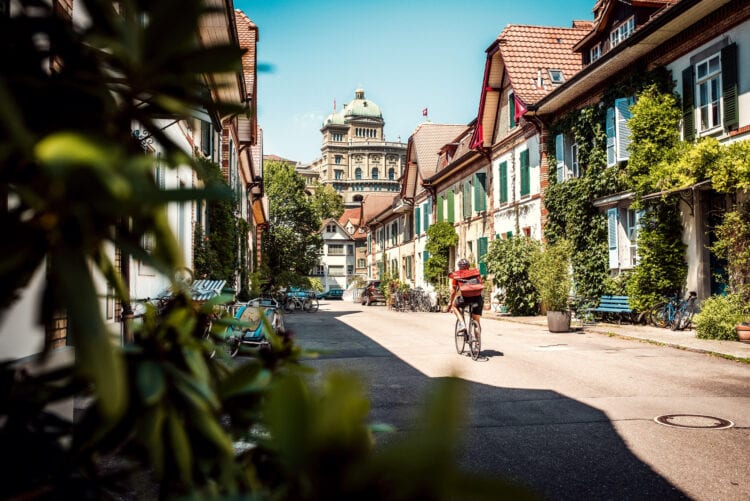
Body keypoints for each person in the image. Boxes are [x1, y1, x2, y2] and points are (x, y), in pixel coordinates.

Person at [448, 258, 484, 332]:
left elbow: (453, 291)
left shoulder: (457, 275)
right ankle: (478, 342)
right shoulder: (475, 273)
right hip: (477, 298)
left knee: (454, 306)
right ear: (468, 266)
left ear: (459, 267)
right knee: (476, 320)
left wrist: (450, 303)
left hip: (465, 298)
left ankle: (462, 324)